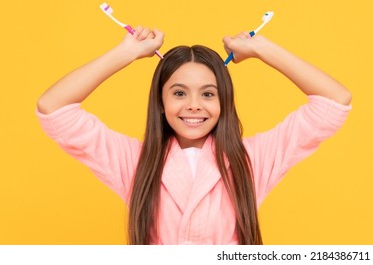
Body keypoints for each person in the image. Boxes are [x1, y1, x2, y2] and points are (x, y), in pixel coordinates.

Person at [36, 26, 352, 245]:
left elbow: (334, 101)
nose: (193, 106)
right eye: (179, 92)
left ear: (223, 101)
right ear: (160, 102)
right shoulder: (134, 161)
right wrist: (126, 53)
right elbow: (53, 107)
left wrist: (260, 48)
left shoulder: (252, 160)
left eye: (208, 94)